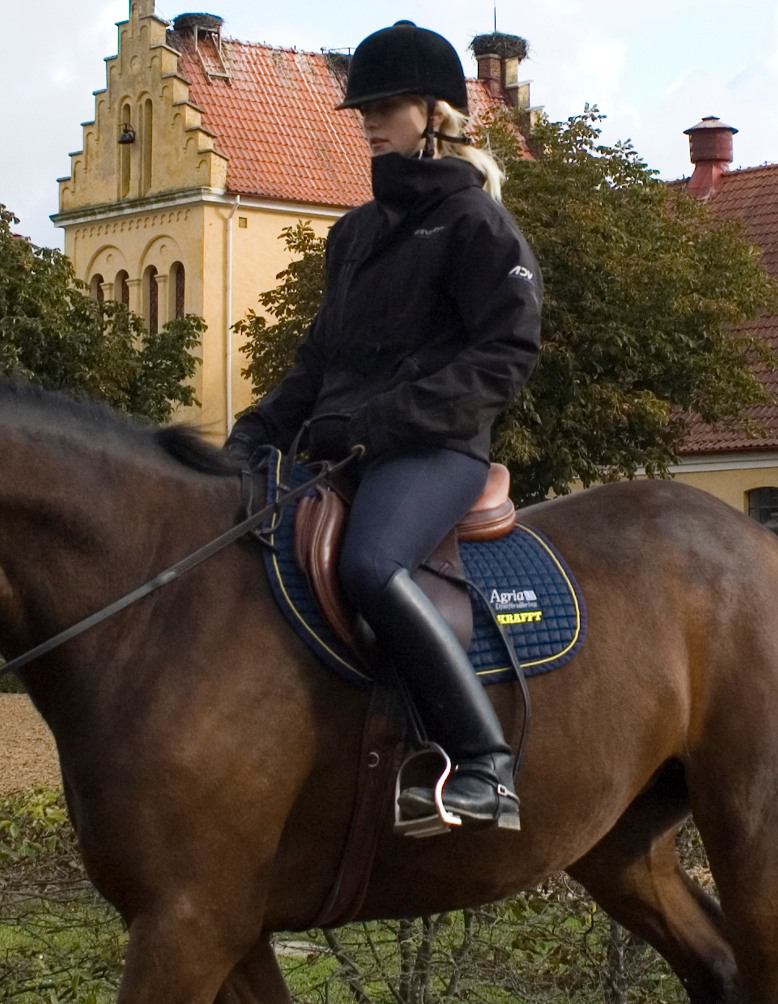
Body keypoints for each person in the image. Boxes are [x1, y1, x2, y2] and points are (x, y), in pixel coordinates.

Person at [224, 20, 542, 832]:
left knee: (369, 564)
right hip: (344, 447)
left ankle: (484, 764)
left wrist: (387, 420)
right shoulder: (355, 234)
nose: (370, 119)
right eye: (363, 106)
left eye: (387, 105)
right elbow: (318, 358)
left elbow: (504, 354)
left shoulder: (478, 224)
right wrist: (255, 433)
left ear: (437, 113)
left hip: (435, 449)